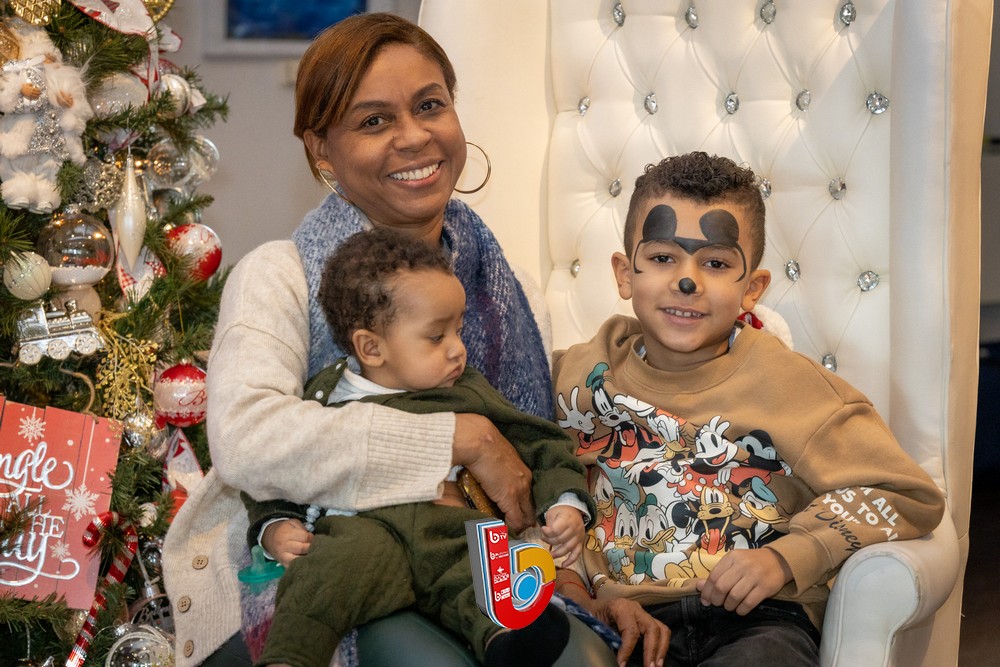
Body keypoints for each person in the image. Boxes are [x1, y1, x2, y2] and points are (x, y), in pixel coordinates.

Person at [162, 13, 611, 667]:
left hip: (473, 567)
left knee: (581, 659)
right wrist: (459, 438)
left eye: (430, 105)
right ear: (322, 150)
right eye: (374, 121)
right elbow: (248, 441)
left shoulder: (508, 292)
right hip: (309, 573)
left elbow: (536, 465)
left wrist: (579, 576)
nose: (414, 136)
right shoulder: (279, 276)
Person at [549, 152, 946, 666]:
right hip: (623, 622)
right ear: (625, 274)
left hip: (759, 621)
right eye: (663, 257)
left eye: (715, 263)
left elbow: (906, 494)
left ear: (752, 289)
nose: (687, 281)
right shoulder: (577, 373)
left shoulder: (797, 390)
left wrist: (787, 556)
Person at [243, 226, 595, 667]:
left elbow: (540, 440)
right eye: (436, 337)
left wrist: (564, 502)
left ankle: (508, 637)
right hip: (362, 532)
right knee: (321, 575)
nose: (458, 350)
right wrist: (274, 525)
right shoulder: (323, 398)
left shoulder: (467, 391)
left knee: (483, 570)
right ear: (371, 348)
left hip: (450, 528)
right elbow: (280, 467)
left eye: (458, 330)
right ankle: (289, 657)